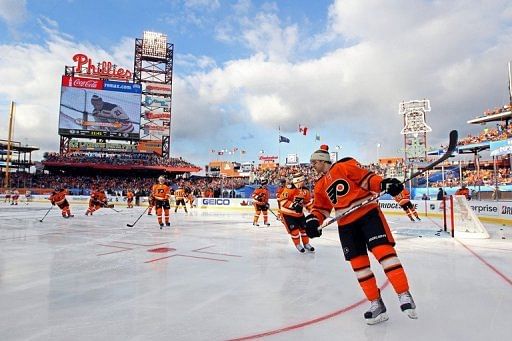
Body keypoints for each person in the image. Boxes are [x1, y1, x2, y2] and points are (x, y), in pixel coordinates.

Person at [305, 145, 417, 325]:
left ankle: (403, 293)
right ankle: (376, 304)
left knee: (384, 254)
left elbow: (367, 179)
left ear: (322, 160)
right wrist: (313, 221)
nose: (312, 166)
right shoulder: (319, 185)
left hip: (367, 215)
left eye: (314, 162)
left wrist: (383, 183)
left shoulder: (344, 166)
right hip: (346, 225)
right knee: (359, 266)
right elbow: (320, 208)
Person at [278, 172, 314, 253]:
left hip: (299, 214)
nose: (304, 182)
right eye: (302, 181)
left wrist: (313, 210)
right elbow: (282, 201)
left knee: (304, 229)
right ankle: (298, 244)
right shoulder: (289, 189)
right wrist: (293, 205)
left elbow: (307, 203)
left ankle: (306, 244)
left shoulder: (306, 191)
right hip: (288, 214)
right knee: (295, 231)